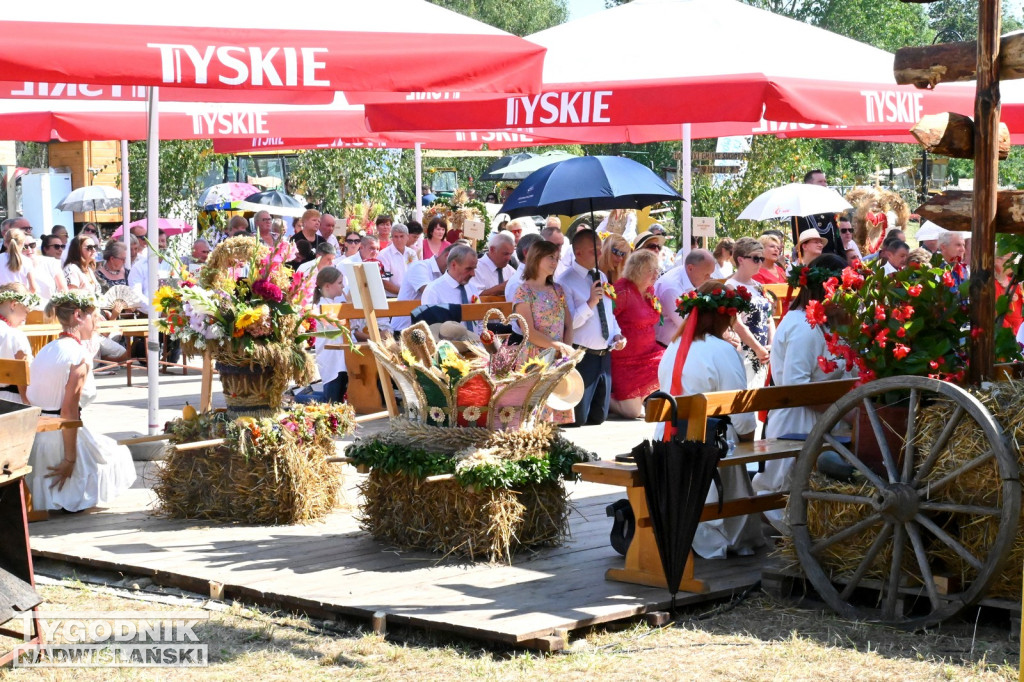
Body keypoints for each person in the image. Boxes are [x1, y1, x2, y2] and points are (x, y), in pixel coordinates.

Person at [656, 280, 765, 558]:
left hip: (666, 438)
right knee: (732, 459)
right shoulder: (723, 350)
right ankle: (729, 537)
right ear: (725, 315)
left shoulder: (673, 346)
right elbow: (739, 408)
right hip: (708, 443)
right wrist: (746, 438)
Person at [753, 254, 849, 517]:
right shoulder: (803, 327)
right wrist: (845, 410)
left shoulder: (823, 323)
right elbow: (797, 390)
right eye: (841, 289)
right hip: (799, 422)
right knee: (789, 491)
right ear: (825, 289)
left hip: (824, 417)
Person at [25, 292, 137, 511]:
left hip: (38, 437)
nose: (97, 324)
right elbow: (69, 411)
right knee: (118, 454)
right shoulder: (77, 355)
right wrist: (69, 459)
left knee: (111, 449)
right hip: (59, 436)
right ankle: (71, 499)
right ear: (78, 316)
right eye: (94, 317)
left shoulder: (46, 350)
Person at [556, 230, 626, 426]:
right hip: (583, 356)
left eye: (600, 249)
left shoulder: (601, 276)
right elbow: (569, 325)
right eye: (594, 250)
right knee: (579, 419)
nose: (600, 254)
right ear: (578, 253)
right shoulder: (565, 281)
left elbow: (608, 313)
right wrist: (590, 302)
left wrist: (617, 334)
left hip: (604, 355)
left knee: (599, 418)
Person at [512, 240, 574, 423]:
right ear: (536, 258)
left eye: (556, 258)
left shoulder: (558, 290)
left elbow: (568, 324)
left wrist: (566, 352)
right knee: (535, 416)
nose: (555, 262)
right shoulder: (524, 292)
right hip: (534, 358)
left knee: (556, 411)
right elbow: (528, 331)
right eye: (550, 257)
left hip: (557, 356)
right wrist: (559, 345)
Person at [609, 250, 664, 419]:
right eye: (650, 270)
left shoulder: (649, 291)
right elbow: (607, 319)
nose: (656, 274)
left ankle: (640, 399)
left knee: (674, 364)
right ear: (637, 270)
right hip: (625, 361)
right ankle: (602, 397)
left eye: (657, 269)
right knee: (632, 412)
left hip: (649, 354)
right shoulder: (622, 291)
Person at [726, 238, 775, 390]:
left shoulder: (758, 286)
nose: (760, 262)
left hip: (763, 352)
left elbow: (769, 318)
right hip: (744, 351)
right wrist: (757, 348)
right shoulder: (730, 286)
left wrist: (771, 345)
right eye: (755, 258)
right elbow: (736, 322)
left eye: (761, 258)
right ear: (740, 259)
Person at [654, 248, 716, 346]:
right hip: (666, 346)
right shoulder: (672, 288)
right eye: (706, 274)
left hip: (680, 342)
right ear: (690, 268)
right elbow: (688, 325)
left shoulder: (689, 275)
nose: (709, 278)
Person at [305, 267, 348, 403]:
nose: (343, 286)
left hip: (341, 355)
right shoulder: (320, 307)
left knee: (338, 397)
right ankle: (298, 398)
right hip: (330, 356)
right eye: (340, 283)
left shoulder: (335, 304)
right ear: (328, 286)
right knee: (330, 399)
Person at [420, 243, 480, 331]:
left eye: (474, 268)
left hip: (475, 342)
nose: (473, 274)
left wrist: (480, 342)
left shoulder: (472, 288)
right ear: (454, 265)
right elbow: (431, 328)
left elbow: (480, 322)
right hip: (447, 344)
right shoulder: (433, 290)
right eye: (468, 269)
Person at [0, 284, 39, 403]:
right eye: (26, 311)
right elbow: (24, 378)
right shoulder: (15, 335)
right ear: (14, 305)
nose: (25, 318)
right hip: (9, 402)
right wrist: (27, 403)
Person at [791, 170, 841, 256]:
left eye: (825, 181)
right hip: (813, 263)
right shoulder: (800, 213)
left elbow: (838, 242)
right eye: (820, 182)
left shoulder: (829, 210)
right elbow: (800, 243)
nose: (824, 185)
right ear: (808, 185)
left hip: (834, 262)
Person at [471, 231, 516, 298]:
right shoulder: (475, 269)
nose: (509, 258)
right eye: (505, 254)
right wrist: (502, 287)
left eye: (511, 254)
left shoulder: (510, 270)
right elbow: (473, 298)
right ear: (492, 249)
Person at [377, 223, 413, 295]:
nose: (399, 240)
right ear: (392, 238)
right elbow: (385, 282)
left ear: (407, 237)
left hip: (410, 297)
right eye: (396, 237)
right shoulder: (384, 255)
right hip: (392, 298)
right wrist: (404, 293)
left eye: (401, 236)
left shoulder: (412, 253)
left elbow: (415, 274)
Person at [0, 229, 39, 293]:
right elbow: (33, 288)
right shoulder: (27, 261)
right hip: (21, 299)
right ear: (22, 243)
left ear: (5, 243)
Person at [996, 251, 1024, 335]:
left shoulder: (1014, 282)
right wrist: (1012, 333)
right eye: (1009, 259)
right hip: (1008, 336)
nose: (1013, 262)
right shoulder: (993, 285)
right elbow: (995, 315)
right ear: (997, 260)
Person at [33, 235, 68, 302]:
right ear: (45, 249)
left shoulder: (63, 264)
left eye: (62, 246)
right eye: (56, 246)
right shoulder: (38, 266)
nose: (60, 249)